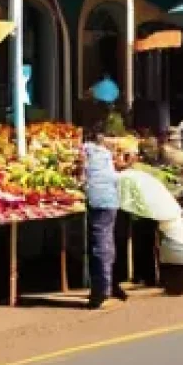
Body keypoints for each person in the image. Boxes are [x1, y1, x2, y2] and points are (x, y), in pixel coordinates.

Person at [83, 123, 124, 309]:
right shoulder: (106, 155)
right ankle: (106, 286)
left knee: (99, 243)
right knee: (106, 242)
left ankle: (101, 291)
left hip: (97, 200)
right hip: (111, 201)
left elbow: (80, 173)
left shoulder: (85, 152)